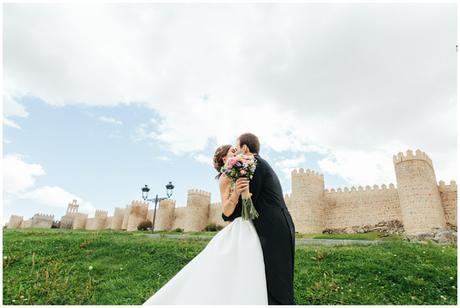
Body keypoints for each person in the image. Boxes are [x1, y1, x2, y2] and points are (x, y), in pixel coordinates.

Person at [143, 144, 268, 305]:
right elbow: (227, 211)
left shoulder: (243, 169)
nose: (236, 151)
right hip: (239, 226)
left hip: (251, 224)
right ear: (224, 158)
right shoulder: (225, 178)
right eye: (232, 150)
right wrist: (237, 192)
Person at [222, 132, 296, 305]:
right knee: (275, 276)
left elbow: (248, 204)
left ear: (245, 148)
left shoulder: (253, 164)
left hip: (273, 228)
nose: (235, 152)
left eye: (237, 147)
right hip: (278, 225)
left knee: (277, 280)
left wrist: (227, 213)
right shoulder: (260, 164)